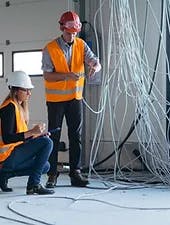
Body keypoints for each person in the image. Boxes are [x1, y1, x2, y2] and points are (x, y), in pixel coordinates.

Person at [41, 11, 101, 188]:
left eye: (75, 33)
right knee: (54, 136)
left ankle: (75, 172)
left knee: (76, 136)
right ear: (62, 28)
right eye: (69, 33)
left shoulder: (81, 45)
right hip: (55, 101)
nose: (72, 36)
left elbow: (95, 61)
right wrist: (67, 75)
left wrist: (95, 67)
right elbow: (47, 76)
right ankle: (52, 174)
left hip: (75, 99)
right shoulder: (50, 48)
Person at [0, 71, 54, 195]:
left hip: (11, 155)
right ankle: (33, 185)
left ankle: (3, 175)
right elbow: (8, 138)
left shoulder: (18, 108)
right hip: (5, 156)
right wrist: (31, 132)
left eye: (29, 90)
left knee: (45, 166)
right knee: (47, 143)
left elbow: (20, 138)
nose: (29, 93)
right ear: (15, 90)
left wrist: (36, 135)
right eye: (26, 90)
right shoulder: (9, 108)